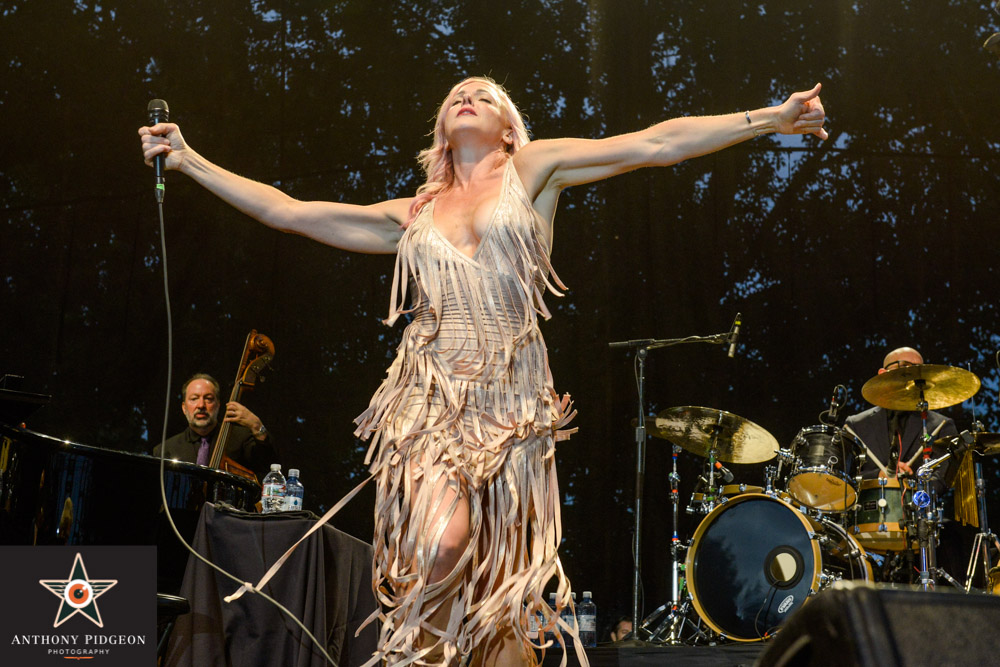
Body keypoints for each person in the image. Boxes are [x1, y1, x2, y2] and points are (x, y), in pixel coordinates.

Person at [140, 76, 826, 667]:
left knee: (502, 616)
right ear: (442, 129)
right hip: (431, 400)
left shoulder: (534, 169)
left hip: (511, 412)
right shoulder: (412, 216)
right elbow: (288, 211)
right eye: (456, 96)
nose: (466, 97)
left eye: (484, 96)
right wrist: (191, 161)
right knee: (442, 544)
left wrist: (769, 118)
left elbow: (653, 143)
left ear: (506, 128)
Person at [844, 347, 958, 491]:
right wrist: (877, 475)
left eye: (919, 370)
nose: (914, 375)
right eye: (904, 367)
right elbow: (843, 477)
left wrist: (913, 486)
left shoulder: (941, 425)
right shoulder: (856, 425)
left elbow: (944, 478)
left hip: (918, 503)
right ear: (883, 374)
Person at [154, 373, 275, 482]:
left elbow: (269, 467)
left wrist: (257, 426)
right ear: (184, 408)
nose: (201, 405)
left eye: (208, 399)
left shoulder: (242, 438)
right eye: (194, 399)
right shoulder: (165, 450)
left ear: (218, 405)